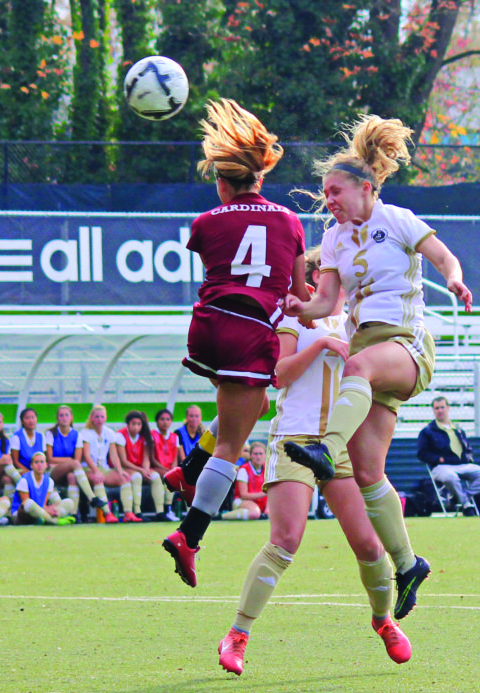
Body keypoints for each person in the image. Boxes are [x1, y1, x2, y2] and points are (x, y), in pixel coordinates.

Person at [282, 114, 473, 619]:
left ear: (366, 188)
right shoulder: (337, 239)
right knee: (367, 473)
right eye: (325, 193)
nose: (329, 200)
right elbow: (326, 303)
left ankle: (325, 447)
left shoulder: (398, 219)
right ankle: (409, 564)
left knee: (358, 367)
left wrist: (454, 280)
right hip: (368, 347)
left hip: (405, 345)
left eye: (335, 191)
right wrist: (301, 309)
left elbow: (442, 256)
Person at [218, 247, 411, 675]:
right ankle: (237, 634)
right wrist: (322, 342)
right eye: (331, 275)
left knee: (368, 544)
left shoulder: (359, 320)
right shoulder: (294, 316)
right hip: (295, 438)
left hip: (340, 444)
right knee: (286, 539)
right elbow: (279, 374)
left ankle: (384, 621)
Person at [163, 98, 308, 588]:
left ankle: (186, 471)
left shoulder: (205, 222)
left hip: (208, 325)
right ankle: (189, 535)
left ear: (222, 183)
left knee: (252, 405)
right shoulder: (290, 223)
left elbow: (220, 256)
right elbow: (301, 293)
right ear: (261, 178)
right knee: (233, 443)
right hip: (250, 329)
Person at [417, 396, 480, 515]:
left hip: (463, 464)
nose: (440, 410)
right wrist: (439, 459)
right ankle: (466, 505)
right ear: (433, 411)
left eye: (442, 407)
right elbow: (421, 453)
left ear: (448, 408)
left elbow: (467, 448)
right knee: (450, 477)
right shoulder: (428, 431)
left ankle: (457, 498)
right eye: (437, 408)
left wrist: (468, 458)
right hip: (442, 467)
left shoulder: (458, 430)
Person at [45, 404, 108, 515]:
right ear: (57, 418)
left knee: (72, 477)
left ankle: (73, 513)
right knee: (73, 463)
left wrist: (69, 462)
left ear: (71, 417)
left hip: (70, 470)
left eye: (66, 415)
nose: (64, 418)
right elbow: (50, 459)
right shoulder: (50, 433)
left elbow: (77, 461)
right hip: (54, 471)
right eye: (61, 415)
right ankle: (92, 497)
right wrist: (68, 460)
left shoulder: (76, 435)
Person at [78, 404, 132, 524]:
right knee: (98, 480)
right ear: (91, 418)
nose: (99, 420)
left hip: (105, 468)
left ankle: (129, 513)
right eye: (97, 417)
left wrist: (120, 470)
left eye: (102, 417)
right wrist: (96, 471)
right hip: (89, 468)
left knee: (125, 479)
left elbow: (114, 455)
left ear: (106, 418)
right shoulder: (85, 433)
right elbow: (86, 456)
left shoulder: (109, 432)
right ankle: (107, 513)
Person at [116, 410, 168, 521]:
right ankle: (137, 511)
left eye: (139, 424)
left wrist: (146, 469)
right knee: (136, 477)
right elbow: (123, 461)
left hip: (139, 468)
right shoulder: (120, 435)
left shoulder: (144, 437)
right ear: (128, 424)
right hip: (127, 468)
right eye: (133, 424)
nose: (136, 427)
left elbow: (146, 458)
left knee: (155, 477)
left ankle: (160, 511)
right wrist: (141, 470)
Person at [11, 451, 76, 526]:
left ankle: (47, 517)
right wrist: (46, 509)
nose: (39, 465)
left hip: (41, 511)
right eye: (36, 462)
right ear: (31, 465)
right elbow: (25, 504)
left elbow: (43, 504)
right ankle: (53, 521)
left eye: (42, 462)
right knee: (29, 503)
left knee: (69, 502)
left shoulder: (49, 481)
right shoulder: (24, 480)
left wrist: (51, 508)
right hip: (23, 515)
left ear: (46, 465)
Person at [222, 441, 268, 521]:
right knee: (254, 513)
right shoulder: (244, 469)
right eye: (255, 454)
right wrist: (264, 493)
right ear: (250, 455)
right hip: (242, 501)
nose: (258, 457)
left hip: (261, 502)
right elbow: (244, 495)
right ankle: (223, 516)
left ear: (265, 455)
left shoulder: (268, 470)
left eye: (261, 454)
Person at [150, 408, 180, 521]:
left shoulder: (174, 437)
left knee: (173, 476)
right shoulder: (152, 435)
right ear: (157, 421)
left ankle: (168, 509)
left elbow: (175, 458)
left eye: (168, 419)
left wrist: (173, 469)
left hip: (167, 469)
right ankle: (161, 511)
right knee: (163, 477)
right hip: (156, 468)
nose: (165, 422)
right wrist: (165, 469)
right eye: (162, 419)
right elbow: (152, 458)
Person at [10, 408, 46, 474]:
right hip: (22, 470)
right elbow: (15, 461)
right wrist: (30, 474)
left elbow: (43, 458)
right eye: (27, 418)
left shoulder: (41, 436)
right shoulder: (16, 437)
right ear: (22, 421)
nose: (31, 421)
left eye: (33, 417)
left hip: (39, 470)